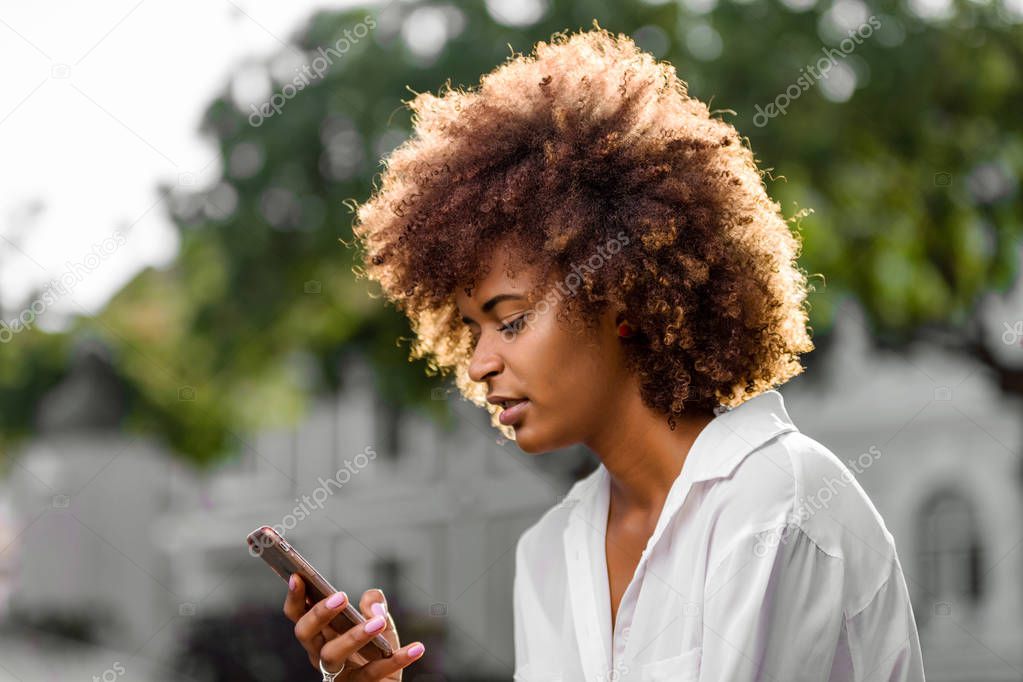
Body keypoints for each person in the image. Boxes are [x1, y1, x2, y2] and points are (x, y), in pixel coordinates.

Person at [292, 23, 926, 681]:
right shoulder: (549, 552)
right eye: (470, 330)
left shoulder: (780, 502)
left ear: (617, 297)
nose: (477, 365)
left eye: (508, 321)